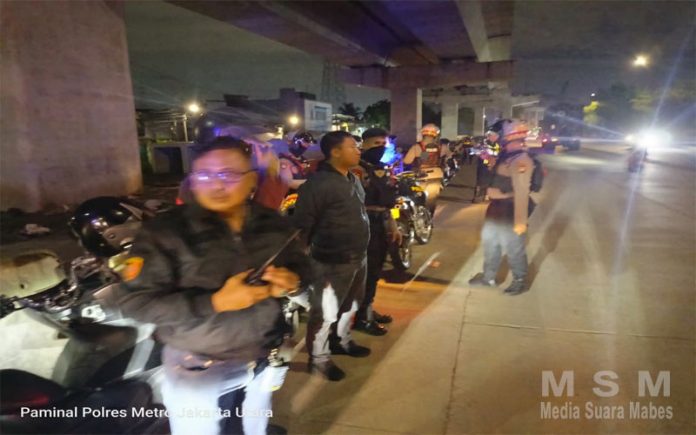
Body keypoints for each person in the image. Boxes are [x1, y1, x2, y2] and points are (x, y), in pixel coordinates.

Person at [118, 136, 312, 435]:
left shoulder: (273, 224)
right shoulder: (166, 232)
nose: (217, 185)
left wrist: (293, 281)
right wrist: (216, 302)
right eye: (204, 175)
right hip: (196, 367)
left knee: (254, 424)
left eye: (229, 174)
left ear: (252, 181)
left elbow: (304, 267)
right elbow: (136, 304)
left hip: (262, 356)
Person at [293, 131, 371, 382]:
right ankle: (319, 359)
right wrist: (301, 259)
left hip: (358, 256)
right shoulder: (318, 185)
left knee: (352, 304)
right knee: (325, 313)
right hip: (331, 261)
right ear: (335, 152)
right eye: (353, 147)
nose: (358, 151)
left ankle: (342, 341)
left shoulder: (352, 178)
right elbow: (302, 226)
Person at [468, 120, 534, 296]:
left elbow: (521, 191)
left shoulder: (521, 161)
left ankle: (519, 280)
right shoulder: (508, 156)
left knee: (514, 248)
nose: (498, 138)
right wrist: (488, 160)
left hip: (510, 210)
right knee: (491, 244)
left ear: (509, 137)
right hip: (496, 208)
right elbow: (498, 171)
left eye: (500, 135)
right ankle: (488, 278)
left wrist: (520, 221)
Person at [353, 128, 400, 336]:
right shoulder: (357, 169)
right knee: (367, 272)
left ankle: (368, 309)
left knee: (375, 270)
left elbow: (386, 204)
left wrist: (393, 225)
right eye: (375, 144)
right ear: (364, 145)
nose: (380, 148)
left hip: (380, 223)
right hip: (364, 224)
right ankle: (362, 318)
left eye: (383, 144)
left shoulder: (380, 168)